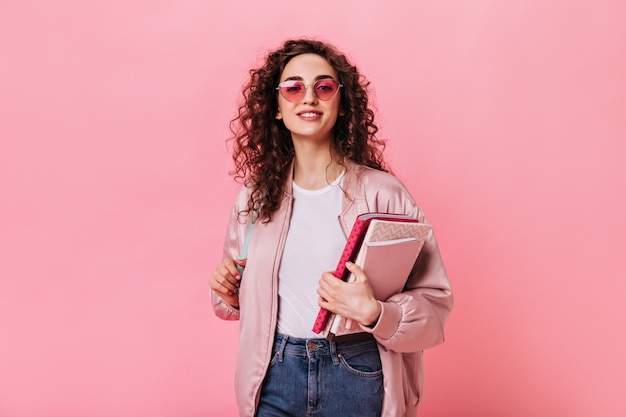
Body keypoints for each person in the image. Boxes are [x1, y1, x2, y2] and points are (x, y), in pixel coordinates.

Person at [210, 38, 453, 417]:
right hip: (273, 371)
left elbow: (435, 306)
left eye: (323, 87)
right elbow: (230, 301)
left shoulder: (384, 194)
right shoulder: (255, 198)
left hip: (357, 371)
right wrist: (229, 290)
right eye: (293, 88)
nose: (308, 97)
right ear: (276, 108)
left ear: (341, 105)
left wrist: (375, 313)